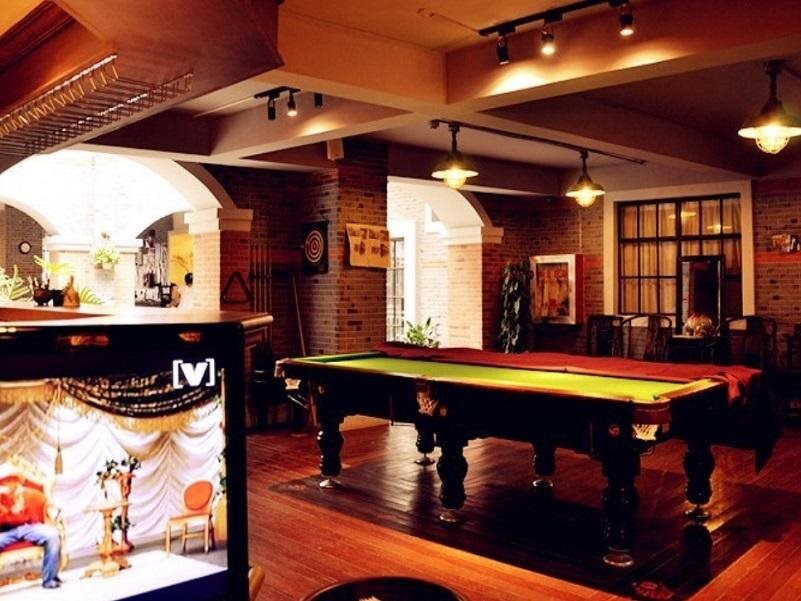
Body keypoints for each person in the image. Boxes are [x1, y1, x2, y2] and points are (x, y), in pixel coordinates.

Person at [0, 473, 62, 589]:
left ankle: (49, 579)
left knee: (52, 535)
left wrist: (21, 505)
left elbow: (33, 517)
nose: (12, 484)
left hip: (28, 528)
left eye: (15, 481)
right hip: (5, 532)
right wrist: (11, 512)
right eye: (7, 481)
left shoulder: (27, 495)